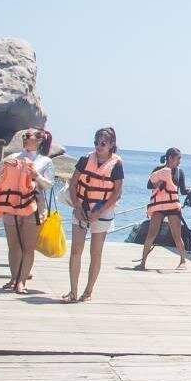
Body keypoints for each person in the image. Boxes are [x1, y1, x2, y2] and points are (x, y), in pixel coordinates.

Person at [0, 129, 54, 296]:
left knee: (28, 247)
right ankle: (14, 278)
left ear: (39, 140)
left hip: (34, 207)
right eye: (24, 136)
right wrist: (4, 163)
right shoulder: (14, 157)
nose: (25, 138)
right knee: (13, 245)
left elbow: (48, 185)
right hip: (12, 205)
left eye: (28, 136)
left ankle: (22, 281)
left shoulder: (45, 161)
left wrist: (36, 176)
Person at [64, 127, 123, 303]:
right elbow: (73, 184)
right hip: (81, 208)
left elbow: (117, 193)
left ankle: (88, 291)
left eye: (103, 143)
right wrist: (77, 206)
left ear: (111, 144)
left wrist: (98, 213)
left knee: (95, 253)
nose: (99, 146)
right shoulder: (85, 160)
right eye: (96, 142)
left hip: (102, 211)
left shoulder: (116, 165)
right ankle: (73, 292)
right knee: (76, 250)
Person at [137, 147, 189, 271]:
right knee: (151, 233)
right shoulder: (158, 170)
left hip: (172, 206)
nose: (179, 162)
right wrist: (159, 182)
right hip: (159, 206)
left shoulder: (179, 172)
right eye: (178, 159)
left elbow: (182, 190)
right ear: (170, 158)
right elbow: (149, 185)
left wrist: (190, 191)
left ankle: (183, 261)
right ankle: (142, 262)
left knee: (177, 235)